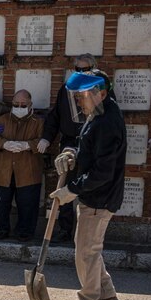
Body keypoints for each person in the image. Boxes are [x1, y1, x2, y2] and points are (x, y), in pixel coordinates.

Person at [50, 70, 125, 300]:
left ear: (100, 93)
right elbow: (88, 150)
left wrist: (71, 190)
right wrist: (71, 153)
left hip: (99, 198)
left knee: (86, 252)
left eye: (82, 96)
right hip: (96, 196)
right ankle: (106, 294)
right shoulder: (98, 115)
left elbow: (102, 171)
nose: (79, 102)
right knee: (90, 248)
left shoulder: (107, 122)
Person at [39, 53, 97, 243]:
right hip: (69, 142)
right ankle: (65, 229)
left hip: (90, 143)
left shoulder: (99, 90)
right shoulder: (66, 89)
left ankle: (87, 234)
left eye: (85, 69)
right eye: (78, 69)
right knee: (64, 186)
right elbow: (55, 116)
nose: (81, 73)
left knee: (88, 186)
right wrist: (47, 138)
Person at [0, 89, 44, 242]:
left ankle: (25, 232)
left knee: (28, 203)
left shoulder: (38, 122)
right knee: (1, 203)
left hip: (28, 170)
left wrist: (28, 145)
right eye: (16, 104)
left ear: (30, 104)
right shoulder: (2, 120)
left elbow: (45, 142)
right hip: (3, 170)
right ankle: (0, 230)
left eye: (23, 104)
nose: (19, 107)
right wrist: (4, 144)